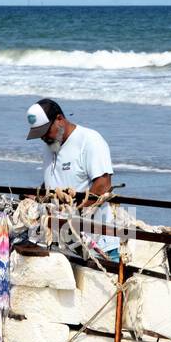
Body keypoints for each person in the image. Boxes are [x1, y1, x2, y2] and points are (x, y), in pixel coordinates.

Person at [24, 98, 120, 260]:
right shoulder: (50, 144)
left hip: (94, 240)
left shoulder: (89, 140)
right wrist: (38, 196)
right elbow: (54, 180)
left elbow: (103, 185)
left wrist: (73, 215)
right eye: (39, 134)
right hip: (61, 238)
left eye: (46, 132)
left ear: (60, 119)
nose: (43, 138)